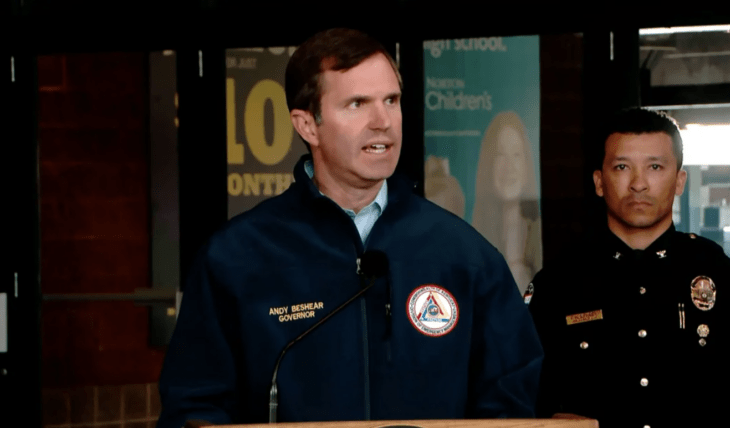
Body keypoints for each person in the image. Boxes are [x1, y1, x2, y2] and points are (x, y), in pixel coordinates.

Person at [156, 28, 543, 427]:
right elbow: (194, 407)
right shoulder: (236, 258)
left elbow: (511, 399)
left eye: (391, 101)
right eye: (357, 104)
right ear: (307, 125)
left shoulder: (465, 255)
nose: (383, 122)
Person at [527, 107, 729, 428]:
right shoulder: (560, 281)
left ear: (679, 181)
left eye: (655, 167)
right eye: (622, 167)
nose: (638, 184)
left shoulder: (716, 271)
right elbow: (523, 392)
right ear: (599, 182)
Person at [472, 112, 542, 294]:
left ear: (527, 165)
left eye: (517, 155)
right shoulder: (470, 244)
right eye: (500, 155)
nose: (509, 166)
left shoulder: (545, 239)